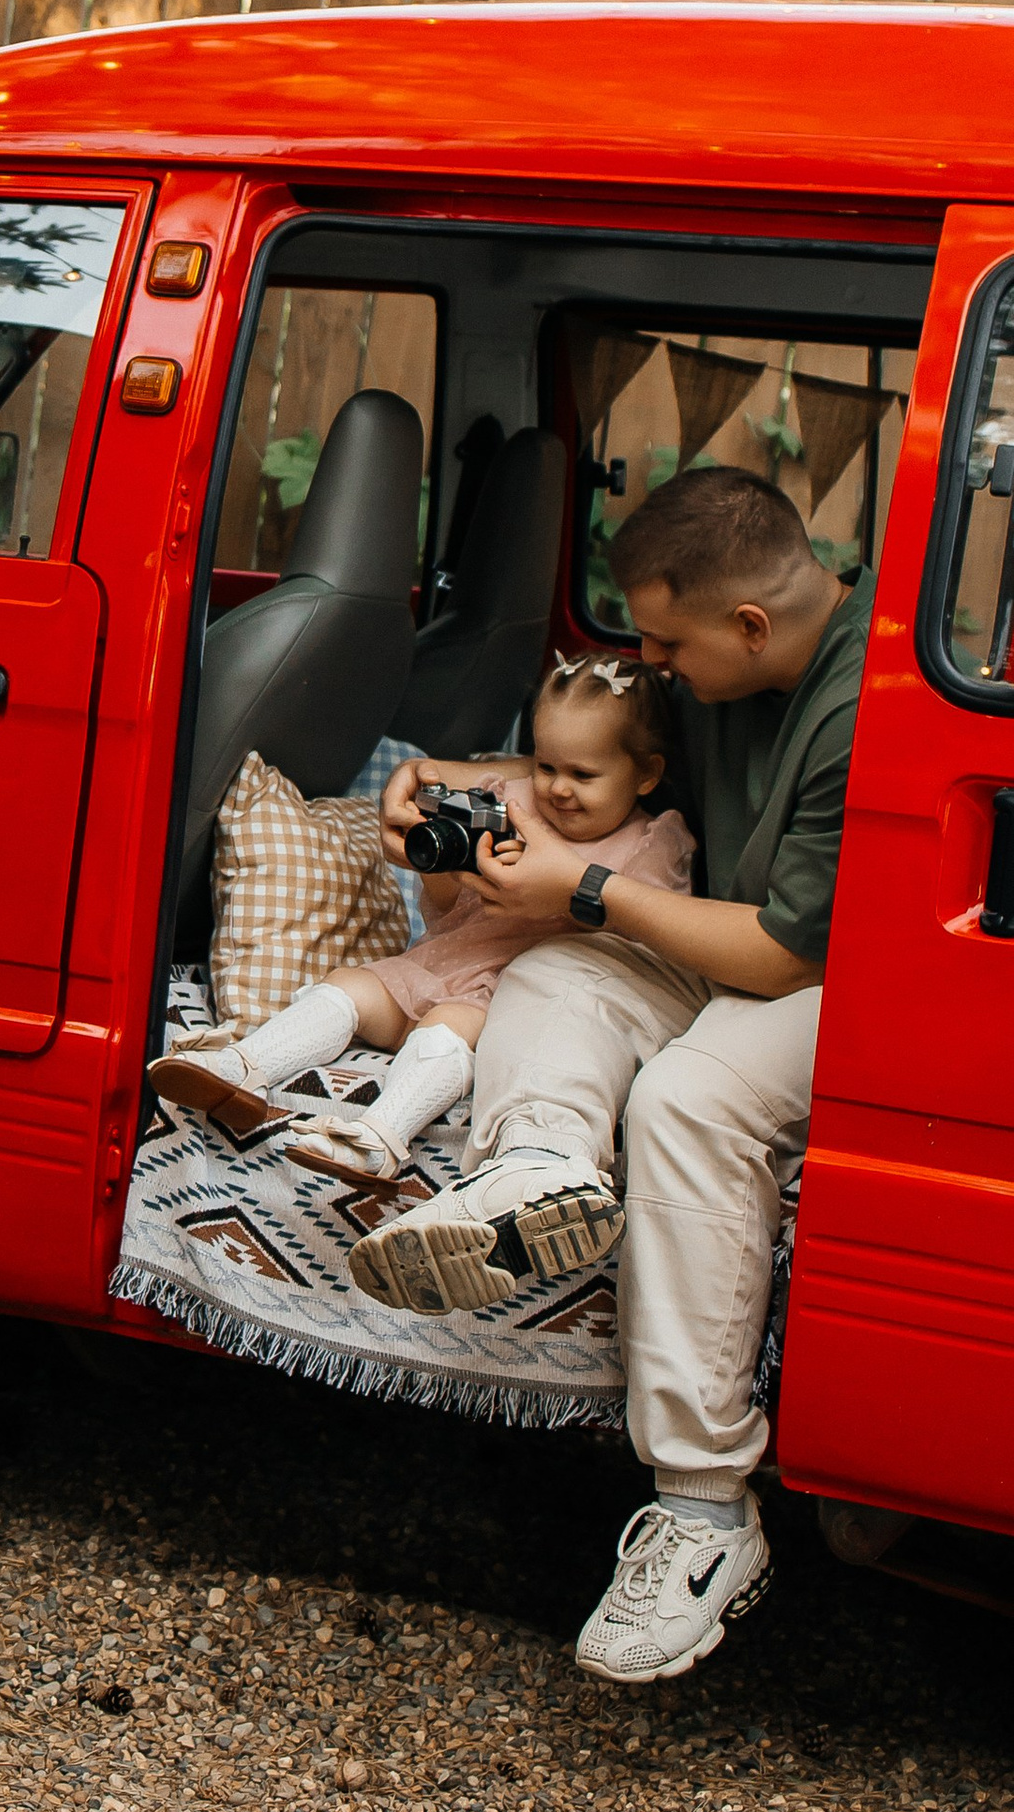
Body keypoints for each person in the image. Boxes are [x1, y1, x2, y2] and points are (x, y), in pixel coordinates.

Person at [365, 466, 868, 1690]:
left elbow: (782, 951)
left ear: (747, 625)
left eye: (662, 640)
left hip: (849, 987)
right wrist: (445, 780)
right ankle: (536, 1166)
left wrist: (589, 888)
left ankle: (703, 1513)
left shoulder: (861, 703)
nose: (647, 660)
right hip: (726, 948)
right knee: (553, 975)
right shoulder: (723, 675)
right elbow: (601, 757)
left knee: (687, 1095)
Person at [152, 652, 693, 1183]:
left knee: (444, 1027)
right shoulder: (509, 801)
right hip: (442, 960)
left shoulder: (653, 840)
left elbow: (638, 941)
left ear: (646, 775)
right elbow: (440, 913)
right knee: (349, 987)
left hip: (508, 997)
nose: (557, 788)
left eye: (583, 773)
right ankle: (245, 1068)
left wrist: (564, 886)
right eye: (546, 765)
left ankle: (380, 1137)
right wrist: (442, 866)